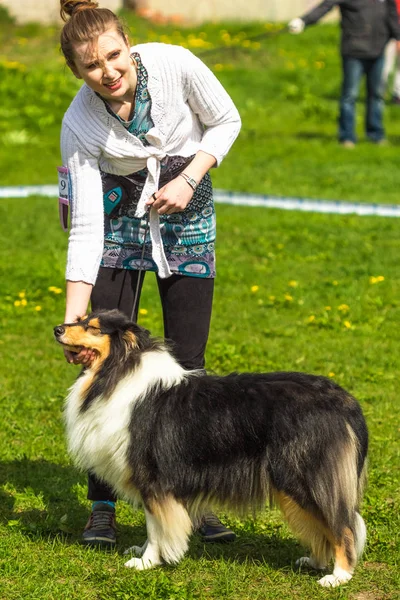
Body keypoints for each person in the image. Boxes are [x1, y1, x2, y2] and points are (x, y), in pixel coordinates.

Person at [58, 0, 241, 548]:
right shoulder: (80, 123)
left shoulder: (174, 64)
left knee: (188, 366)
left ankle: (192, 496)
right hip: (117, 224)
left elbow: (226, 120)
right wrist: (75, 311)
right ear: (77, 71)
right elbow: (86, 224)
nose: (108, 72)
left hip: (186, 211)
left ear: (128, 45)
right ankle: (104, 504)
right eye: (92, 66)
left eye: (115, 56)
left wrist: (190, 179)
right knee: (105, 364)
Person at [288, 0, 400, 147]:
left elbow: (391, 16)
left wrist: (398, 37)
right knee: (350, 95)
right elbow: (325, 6)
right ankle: (347, 137)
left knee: (376, 95)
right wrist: (303, 21)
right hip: (353, 50)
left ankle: (376, 135)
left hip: (378, 50)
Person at [381, 0, 400, 103]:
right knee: (385, 65)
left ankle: (398, 95)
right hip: (390, 33)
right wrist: (397, 37)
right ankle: (379, 92)